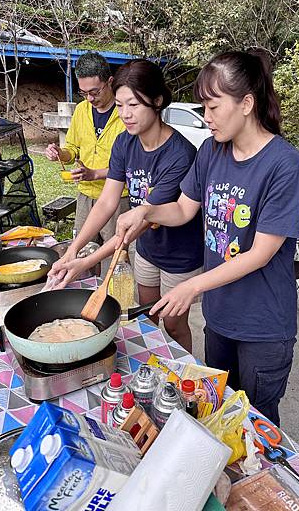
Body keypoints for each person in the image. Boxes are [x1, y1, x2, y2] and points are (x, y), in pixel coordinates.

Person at [115, 50, 299, 426]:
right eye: (203, 106)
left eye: (213, 106)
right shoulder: (211, 151)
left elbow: (260, 254)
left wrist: (192, 287)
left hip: (262, 326)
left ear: (247, 104)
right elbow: (185, 210)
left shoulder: (284, 165)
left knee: (257, 424)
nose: (205, 117)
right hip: (219, 318)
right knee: (218, 412)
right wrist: (148, 212)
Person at [49, 59, 204, 352]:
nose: (126, 114)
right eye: (120, 106)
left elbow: (140, 222)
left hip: (179, 254)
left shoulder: (180, 155)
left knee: (173, 323)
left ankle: (183, 369)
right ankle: (155, 363)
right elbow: (107, 201)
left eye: (133, 105)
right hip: (148, 249)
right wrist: (72, 250)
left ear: (157, 101)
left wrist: (86, 262)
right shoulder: (124, 143)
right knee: (149, 314)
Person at [45, 52, 129, 242]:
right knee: (82, 251)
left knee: (114, 255)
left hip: (118, 197)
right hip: (85, 195)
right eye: (84, 93)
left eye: (94, 92)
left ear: (110, 81)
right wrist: (61, 153)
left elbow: (132, 164)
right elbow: (73, 148)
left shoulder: (126, 113)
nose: (89, 98)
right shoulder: (82, 110)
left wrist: (96, 173)